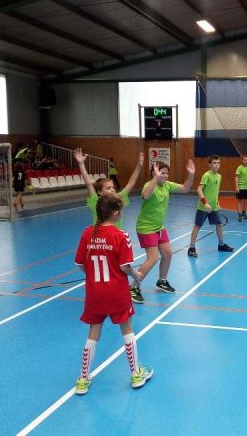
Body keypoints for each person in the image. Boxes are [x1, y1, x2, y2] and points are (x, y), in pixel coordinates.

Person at [74, 193, 153, 395]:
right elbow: (125, 266)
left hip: (95, 293)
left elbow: (80, 263)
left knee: (93, 333)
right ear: (116, 213)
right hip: (117, 292)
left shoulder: (87, 233)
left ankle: (83, 379)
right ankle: (136, 374)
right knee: (127, 329)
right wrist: (136, 275)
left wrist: (92, 276)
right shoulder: (121, 236)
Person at [74, 148, 145, 303]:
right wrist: (81, 164)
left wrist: (139, 166)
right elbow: (88, 183)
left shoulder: (119, 199)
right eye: (108, 188)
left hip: (116, 241)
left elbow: (131, 183)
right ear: (99, 192)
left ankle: (119, 293)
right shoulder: (95, 200)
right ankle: (108, 293)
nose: (112, 190)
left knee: (119, 268)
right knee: (108, 269)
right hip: (101, 241)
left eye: (113, 187)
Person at [132, 160, 195, 299]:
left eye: (167, 173)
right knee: (153, 258)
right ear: (154, 173)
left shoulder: (167, 185)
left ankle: (162, 281)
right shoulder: (149, 185)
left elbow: (185, 188)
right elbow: (145, 195)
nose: (165, 176)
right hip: (146, 228)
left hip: (159, 227)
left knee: (167, 253)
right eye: (162, 173)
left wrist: (191, 175)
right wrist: (155, 178)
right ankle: (134, 287)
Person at [187, 155, 234, 258]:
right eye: (214, 163)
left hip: (213, 207)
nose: (217, 165)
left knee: (219, 225)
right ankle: (191, 248)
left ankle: (221, 245)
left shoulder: (219, 176)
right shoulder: (206, 175)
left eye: (218, 163)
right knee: (197, 226)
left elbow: (215, 191)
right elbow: (199, 189)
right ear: (209, 164)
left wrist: (217, 202)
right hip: (203, 207)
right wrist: (205, 203)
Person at [235, 155, 247, 222]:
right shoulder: (239, 168)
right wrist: (237, 187)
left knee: (246, 201)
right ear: (242, 160)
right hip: (241, 187)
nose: (246, 161)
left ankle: (244, 214)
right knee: (240, 201)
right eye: (244, 160)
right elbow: (236, 177)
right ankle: (240, 215)